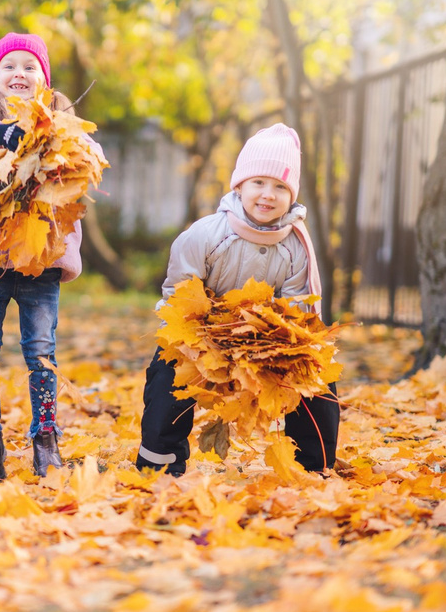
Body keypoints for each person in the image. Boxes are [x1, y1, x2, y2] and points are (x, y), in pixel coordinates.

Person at [136, 124, 343, 476]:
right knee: (167, 373)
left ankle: (314, 464)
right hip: (202, 332)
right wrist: (207, 335)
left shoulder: (295, 246)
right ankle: (159, 460)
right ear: (240, 185)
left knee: (315, 372)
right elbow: (180, 295)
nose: (268, 194)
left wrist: (280, 344)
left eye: (280, 187)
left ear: (292, 196)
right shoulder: (206, 234)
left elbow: (298, 308)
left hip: (263, 340)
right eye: (258, 183)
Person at [0, 34, 83, 480]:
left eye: (30, 67)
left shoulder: (62, 120)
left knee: (41, 351)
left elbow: (91, 156)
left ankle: (45, 437)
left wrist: (56, 145)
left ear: (43, 78)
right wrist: (2, 134)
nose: (19, 74)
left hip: (41, 259)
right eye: (10, 67)